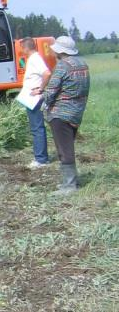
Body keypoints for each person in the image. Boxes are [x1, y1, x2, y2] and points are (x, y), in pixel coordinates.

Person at [42, 35, 90, 193]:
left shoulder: (62, 66)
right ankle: (69, 182)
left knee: (64, 149)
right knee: (68, 145)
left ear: (60, 51)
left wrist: (41, 95)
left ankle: (69, 186)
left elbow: (51, 92)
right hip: (77, 112)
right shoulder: (82, 64)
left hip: (60, 113)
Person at [19, 38, 51, 168]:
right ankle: (41, 157)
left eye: (22, 48)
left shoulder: (35, 59)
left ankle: (41, 159)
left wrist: (40, 89)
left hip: (34, 98)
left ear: (26, 48)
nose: (21, 51)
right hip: (30, 97)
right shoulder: (33, 59)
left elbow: (47, 73)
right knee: (36, 127)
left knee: (37, 128)